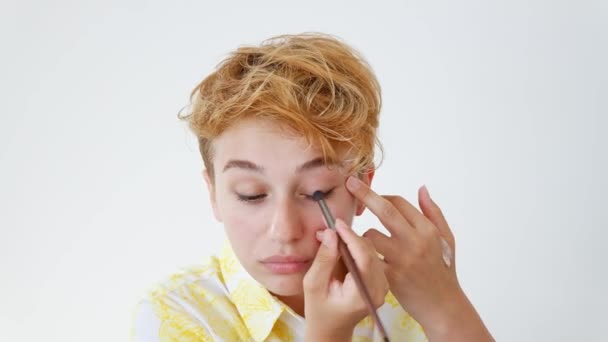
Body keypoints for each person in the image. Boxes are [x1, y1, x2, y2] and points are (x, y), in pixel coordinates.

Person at [132, 32, 494, 342]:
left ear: (363, 186)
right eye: (251, 194)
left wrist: (447, 308)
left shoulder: (415, 290)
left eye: (317, 190)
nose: (285, 231)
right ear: (213, 194)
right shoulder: (175, 315)